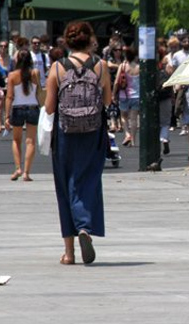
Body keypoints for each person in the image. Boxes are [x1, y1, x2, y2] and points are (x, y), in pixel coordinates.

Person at [45, 21, 112, 265]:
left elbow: (50, 107)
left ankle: (69, 253)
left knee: (65, 186)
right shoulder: (101, 66)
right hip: (93, 134)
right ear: (90, 39)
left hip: (65, 135)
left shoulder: (57, 67)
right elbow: (106, 101)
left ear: (68, 41)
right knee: (89, 182)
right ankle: (85, 228)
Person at [4, 49, 40, 182]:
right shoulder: (35, 73)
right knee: (30, 141)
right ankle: (26, 173)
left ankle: (18, 168)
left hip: (17, 108)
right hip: (32, 107)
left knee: (16, 140)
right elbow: (39, 92)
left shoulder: (12, 75)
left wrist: (6, 116)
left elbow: (9, 96)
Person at [113, 46, 139, 146]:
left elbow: (116, 82)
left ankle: (127, 133)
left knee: (123, 117)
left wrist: (113, 94)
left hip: (124, 95)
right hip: (136, 96)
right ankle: (133, 141)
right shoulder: (139, 67)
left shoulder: (123, 66)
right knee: (134, 118)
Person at [0, 40, 13, 133]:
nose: (3, 48)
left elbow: (13, 71)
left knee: (8, 104)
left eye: (5, 46)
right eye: (1, 46)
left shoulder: (11, 59)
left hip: (9, 83)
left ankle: (7, 122)